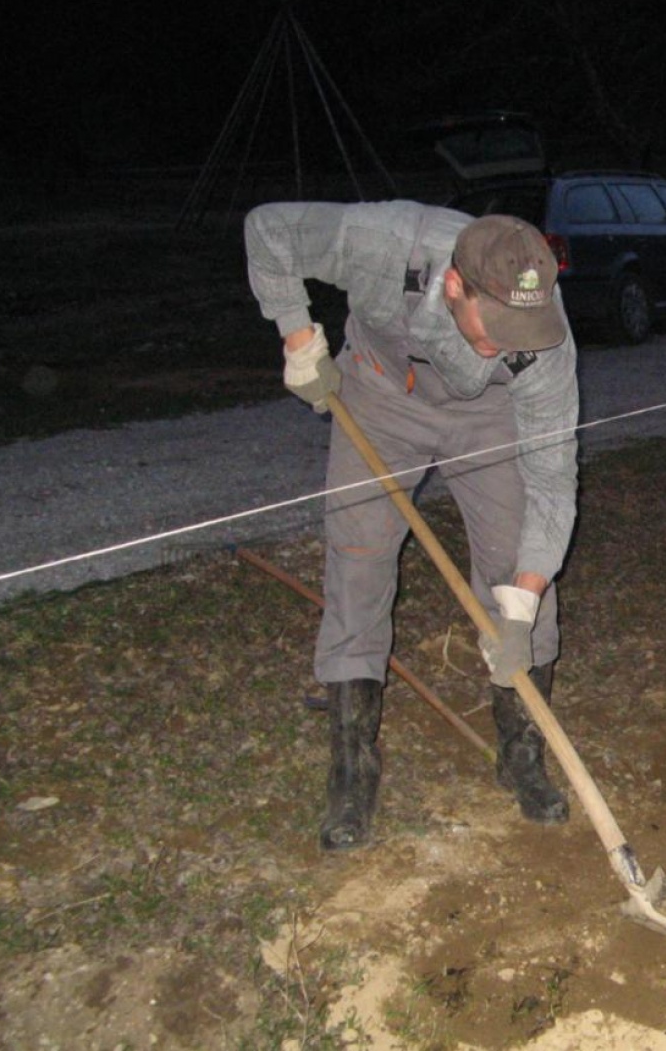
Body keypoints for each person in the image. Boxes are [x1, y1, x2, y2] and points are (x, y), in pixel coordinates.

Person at [244, 202, 578, 850]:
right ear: (454, 285)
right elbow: (269, 229)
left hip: (489, 417)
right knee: (358, 560)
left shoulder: (545, 339)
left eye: (522, 327)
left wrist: (522, 603)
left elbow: (552, 483)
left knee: (518, 569)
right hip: (381, 394)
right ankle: (353, 772)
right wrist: (298, 337)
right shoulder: (385, 244)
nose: (510, 342)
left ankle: (521, 755)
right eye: (497, 325)